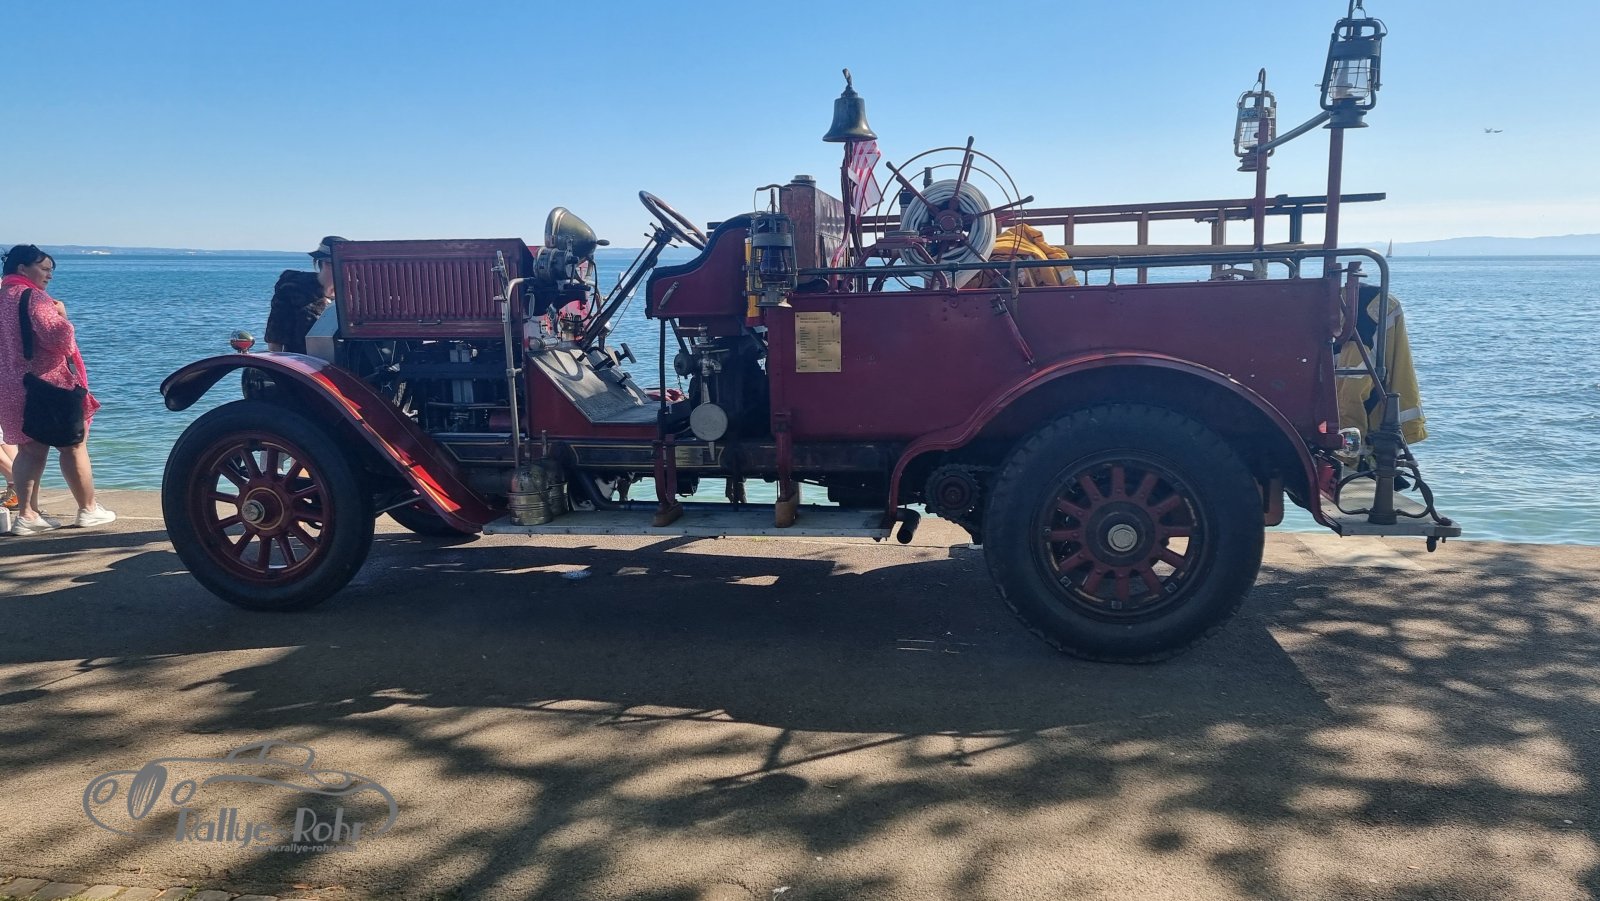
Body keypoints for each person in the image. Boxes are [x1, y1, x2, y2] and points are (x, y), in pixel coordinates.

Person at [0, 245, 116, 535]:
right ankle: (88, 509)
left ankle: (27, 516)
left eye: (51, 270)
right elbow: (60, 340)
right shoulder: (35, 298)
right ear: (22, 268)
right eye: (44, 268)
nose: (49, 275)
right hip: (48, 384)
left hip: (11, 385)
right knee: (73, 446)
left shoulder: (2, 296)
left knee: (28, 449)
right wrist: (63, 316)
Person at [265, 235, 345, 353]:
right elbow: (275, 341)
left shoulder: (356, 295)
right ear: (325, 263)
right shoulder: (293, 290)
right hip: (302, 362)